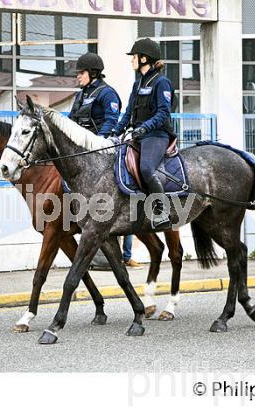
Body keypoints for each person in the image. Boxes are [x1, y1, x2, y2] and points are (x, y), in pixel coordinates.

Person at [70, 52, 144, 269]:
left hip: (103, 149)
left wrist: (96, 143)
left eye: (81, 73)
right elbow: (71, 121)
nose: (78, 77)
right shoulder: (81, 95)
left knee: (119, 193)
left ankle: (126, 253)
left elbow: (111, 121)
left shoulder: (107, 93)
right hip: (83, 152)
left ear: (92, 73)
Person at [112, 38, 174, 231]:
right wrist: (116, 130)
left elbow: (163, 113)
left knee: (146, 168)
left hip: (156, 135)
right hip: (138, 135)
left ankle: (161, 212)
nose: (132, 60)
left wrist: (145, 128)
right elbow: (129, 111)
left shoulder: (162, 82)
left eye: (134, 57)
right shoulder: (138, 84)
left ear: (144, 58)